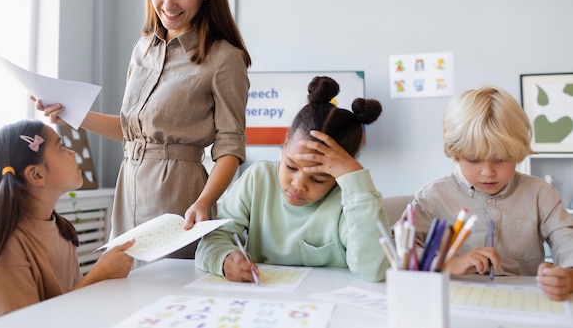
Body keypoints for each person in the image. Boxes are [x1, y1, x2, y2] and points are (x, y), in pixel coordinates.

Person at [32, 0, 252, 259]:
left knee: (170, 294)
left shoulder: (223, 59)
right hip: (129, 183)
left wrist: (204, 201)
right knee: (124, 287)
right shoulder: (143, 49)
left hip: (179, 191)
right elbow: (131, 128)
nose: (167, 4)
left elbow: (230, 146)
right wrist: (71, 113)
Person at [195, 76, 390, 283]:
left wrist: (356, 180)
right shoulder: (258, 179)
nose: (298, 184)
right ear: (285, 143)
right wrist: (224, 259)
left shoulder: (351, 198)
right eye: (290, 167)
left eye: (317, 179)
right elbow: (213, 240)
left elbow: (373, 270)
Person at [0, 120, 134, 325]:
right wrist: (98, 275)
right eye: (60, 147)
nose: (72, 153)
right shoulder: (3, 249)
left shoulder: (61, 228)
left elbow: (72, 309)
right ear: (36, 175)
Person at [406, 86, 573, 301]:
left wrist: (568, 276)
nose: (488, 172)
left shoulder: (541, 194)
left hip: (524, 303)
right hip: (456, 303)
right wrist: (446, 262)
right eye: (474, 160)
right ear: (455, 153)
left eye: (501, 159)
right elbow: (396, 248)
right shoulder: (433, 196)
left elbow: (566, 240)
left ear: (517, 152)